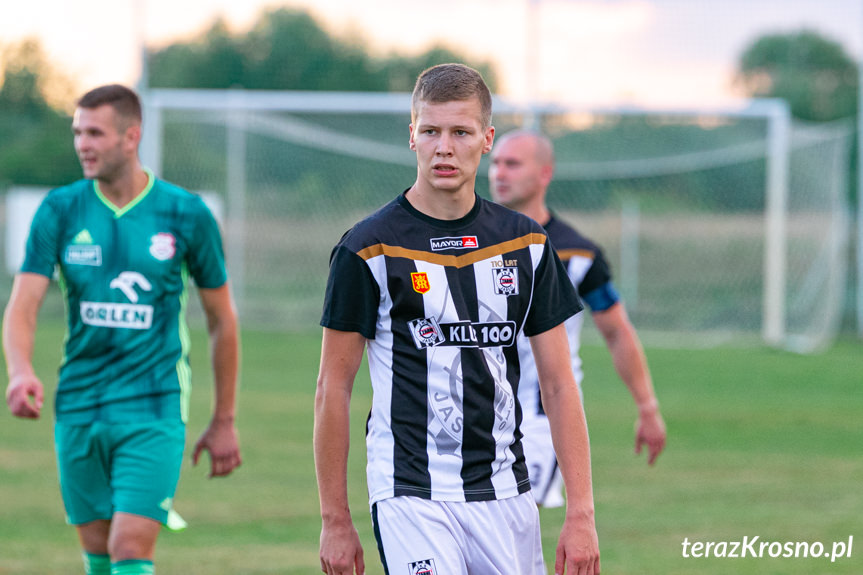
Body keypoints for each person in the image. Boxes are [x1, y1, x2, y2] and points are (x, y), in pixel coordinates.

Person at [315, 63, 600, 575]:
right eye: (431, 131)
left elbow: (559, 384)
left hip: (507, 494)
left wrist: (581, 514)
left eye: (460, 132)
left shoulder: (526, 244)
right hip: (409, 491)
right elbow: (333, 388)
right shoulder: (367, 247)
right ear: (412, 136)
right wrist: (335, 519)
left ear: (486, 139)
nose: (444, 147)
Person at [3, 84, 242, 575]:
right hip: (79, 402)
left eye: (95, 133)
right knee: (97, 555)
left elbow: (222, 319)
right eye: (77, 132)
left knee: (130, 548)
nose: (82, 144)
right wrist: (20, 370)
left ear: (130, 136)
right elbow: (23, 305)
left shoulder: (185, 213)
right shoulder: (60, 209)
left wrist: (223, 419)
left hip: (154, 404)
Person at [489, 129, 666, 509]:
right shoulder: (469, 243)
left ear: (544, 174)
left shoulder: (578, 253)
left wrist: (647, 408)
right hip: (476, 410)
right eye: (495, 163)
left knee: (515, 514)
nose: (499, 173)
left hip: (542, 414)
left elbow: (617, 332)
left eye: (512, 163)